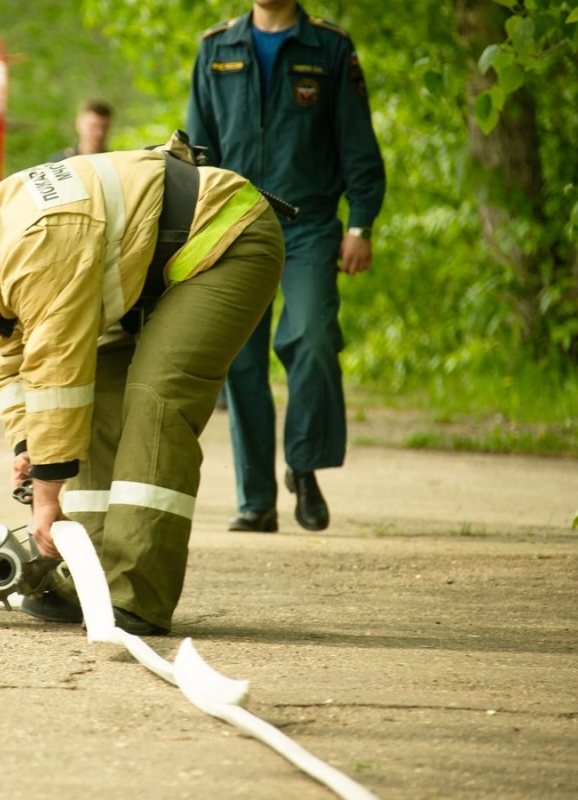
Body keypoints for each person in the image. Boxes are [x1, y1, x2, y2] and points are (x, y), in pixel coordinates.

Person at [0, 140, 285, 635]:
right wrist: (28, 448)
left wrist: (46, 497)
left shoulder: (32, 248)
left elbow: (57, 373)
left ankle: (136, 595)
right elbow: (14, 368)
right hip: (151, 263)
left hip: (223, 239)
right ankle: (81, 574)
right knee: (95, 409)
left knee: (156, 400)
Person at [186, 0, 386, 534]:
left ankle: (304, 464)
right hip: (235, 222)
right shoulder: (215, 49)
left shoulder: (330, 48)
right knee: (242, 363)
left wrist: (360, 224)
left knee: (314, 338)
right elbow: (197, 152)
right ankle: (256, 500)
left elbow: (358, 145)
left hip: (310, 224)